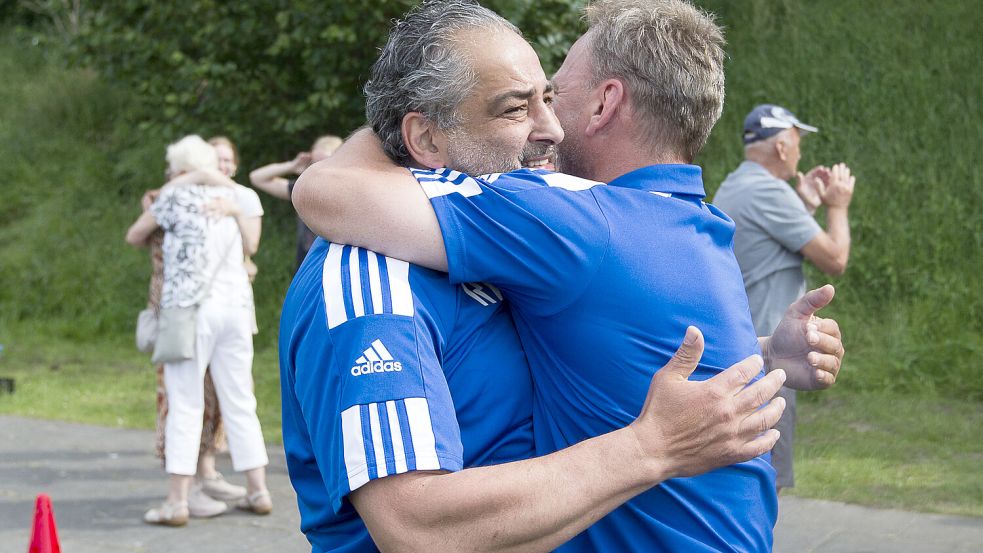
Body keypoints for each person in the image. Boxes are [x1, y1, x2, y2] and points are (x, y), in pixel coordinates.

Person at [288, 1, 844, 551]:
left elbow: (326, 186)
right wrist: (651, 445)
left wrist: (757, 356)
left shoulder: (563, 226)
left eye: (553, 97)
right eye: (516, 107)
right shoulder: (377, 271)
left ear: (606, 104)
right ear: (429, 140)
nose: (550, 128)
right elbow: (415, 527)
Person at [125, 135, 272, 526]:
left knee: (185, 404)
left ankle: (177, 502)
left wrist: (185, 180)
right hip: (237, 310)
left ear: (179, 169)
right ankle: (258, 489)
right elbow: (251, 243)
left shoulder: (174, 199)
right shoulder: (236, 199)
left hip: (190, 313)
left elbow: (135, 234)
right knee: (241, 400)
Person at [712, 104, 855, 491]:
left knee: (748, 478)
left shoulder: (738, 184)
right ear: (779, 148)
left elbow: (772, 246)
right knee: (763, 482)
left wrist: (804, 203)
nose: (800, 153)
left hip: (744, 349)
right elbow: (834, 258)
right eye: (796, 143)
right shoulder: (769, 191)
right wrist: (837, 206)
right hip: (772, 356)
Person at [249, 135, 343, 268]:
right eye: (313, 163)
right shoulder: (304, 190)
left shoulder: (347, 194)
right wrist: (292, 166)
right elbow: (257, 178)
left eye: (324, 163)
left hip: (334, 269)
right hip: (305, 269)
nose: (318, 170)